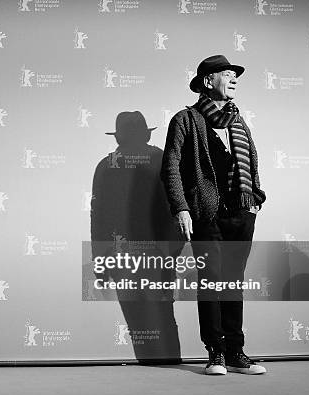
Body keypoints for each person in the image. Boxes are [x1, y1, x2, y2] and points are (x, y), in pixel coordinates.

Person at [160, 55, 267, 375]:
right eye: (228, 75)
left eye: (236, 76)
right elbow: (171, 168)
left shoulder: (237, 118)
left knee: (234, 284)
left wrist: (255, 197)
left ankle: (236, 352)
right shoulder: (186, 119)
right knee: (211, 283)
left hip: (241, 213)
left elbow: (250, 159)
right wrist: (181, 207)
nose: (234, 79)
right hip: (207, 214)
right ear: (208, 81)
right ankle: (216, 353)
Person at [91, 111, 181, 364]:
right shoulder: (162, 159)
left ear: (118, 137)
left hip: (123, 255)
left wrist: (101, 262)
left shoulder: (106, 165)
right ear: (146, 133)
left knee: (137, 318)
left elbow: (98, 218)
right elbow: (177, 207)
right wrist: (170, 251)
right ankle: (169, 368)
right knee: (163, 315)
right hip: (155, 254)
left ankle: (150, 368)